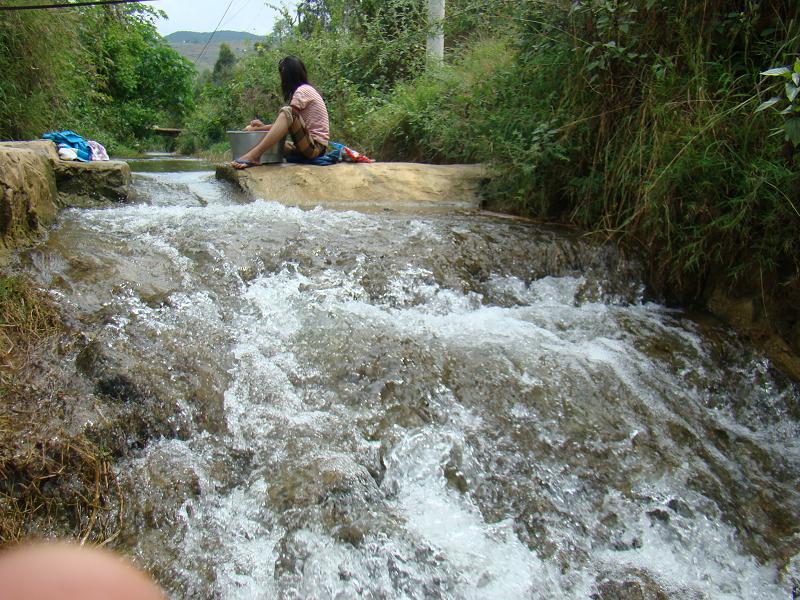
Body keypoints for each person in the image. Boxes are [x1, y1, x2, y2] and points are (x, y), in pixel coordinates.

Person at [232, 56, 330, 168]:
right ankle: (250, 156)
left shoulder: (303, 91)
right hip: (309, 147)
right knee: (274, 145)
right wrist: (263, 128)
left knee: (288, 111)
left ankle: (254, 156)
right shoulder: (306, 90)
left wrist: (256, 129)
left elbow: (289, 118)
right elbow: (288, 124)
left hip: (314, 148)